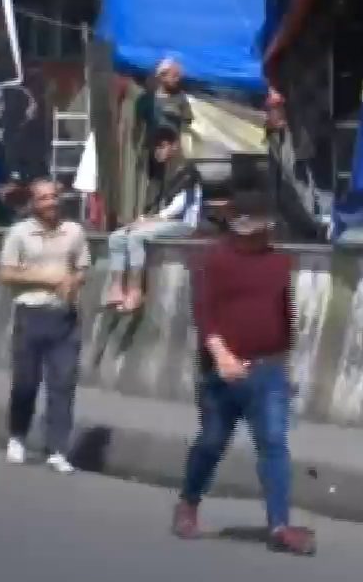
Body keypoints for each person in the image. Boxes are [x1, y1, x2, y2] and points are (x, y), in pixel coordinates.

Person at [172, 190, 314, 555]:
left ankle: (279, 525)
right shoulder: (213, 260)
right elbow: (204, 312)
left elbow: (284, 314)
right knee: (212, 442)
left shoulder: (279, 263)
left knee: (274, 444)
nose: (266, 232)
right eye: (259, 226)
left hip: (269, 369)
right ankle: (188, 503)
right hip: (222, 369)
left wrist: (284, 364)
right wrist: (221, 355)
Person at [0, 178, 90, 475]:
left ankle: (57, 449)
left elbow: (82, 268)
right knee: (26, 383)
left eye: (54, 197)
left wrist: (73, 281)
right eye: (44, 198)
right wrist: (48, 279)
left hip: (64, 317)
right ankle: (17, 436)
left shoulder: (73, 231)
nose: (51, 203)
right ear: (33, 204)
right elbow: (7, 273)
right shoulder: (19, 233)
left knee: (63, 384)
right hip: (30, 314)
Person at [103, 126, 201, 311]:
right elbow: (156, 205)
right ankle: (116, 288)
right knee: (116, 237)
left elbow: (179, 207)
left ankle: (135, 289)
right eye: (156, 148)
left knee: (136, 236)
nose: (158, 152)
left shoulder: (188, 171)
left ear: (174, 146)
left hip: (183, 224)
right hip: (162, 222)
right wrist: (143, 219)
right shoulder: (162, 173)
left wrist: (151, 220)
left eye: (162, 146)